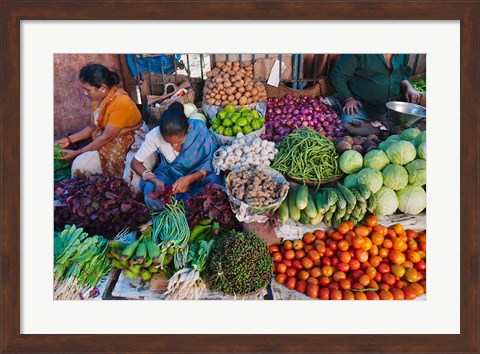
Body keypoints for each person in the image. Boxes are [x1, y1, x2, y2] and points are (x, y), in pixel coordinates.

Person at [55, 63, 145, 177]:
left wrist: (77, 153)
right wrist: (68, 140)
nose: (85, 93)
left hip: (131, 138)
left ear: (102, 88)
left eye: (87, 90)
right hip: (106, 137)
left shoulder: (121, 101)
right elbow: (92, 127)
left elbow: (106, 137)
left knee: (130, 177)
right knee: (79, 166)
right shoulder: (97, 99)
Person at [131, 106, 222, 210]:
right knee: (150, 191)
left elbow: (210, 161)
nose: (174, 146)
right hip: (171, 175)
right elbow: (135, 163)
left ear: (188, 129)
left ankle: (182, 203)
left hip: (199, 175)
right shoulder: (155, 135)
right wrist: (155, 180)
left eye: (179, 142)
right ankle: (189, 203)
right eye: (169, 142)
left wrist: (189, 179)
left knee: (216, 182)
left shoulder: (198, 128)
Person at [330, 54, 421, 126]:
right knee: (348, 125)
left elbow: (402, 73)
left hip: (389, 110)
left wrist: (408, 87)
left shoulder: (403, 54)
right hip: (360, 109)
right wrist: (348, 99)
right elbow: (338, 76)